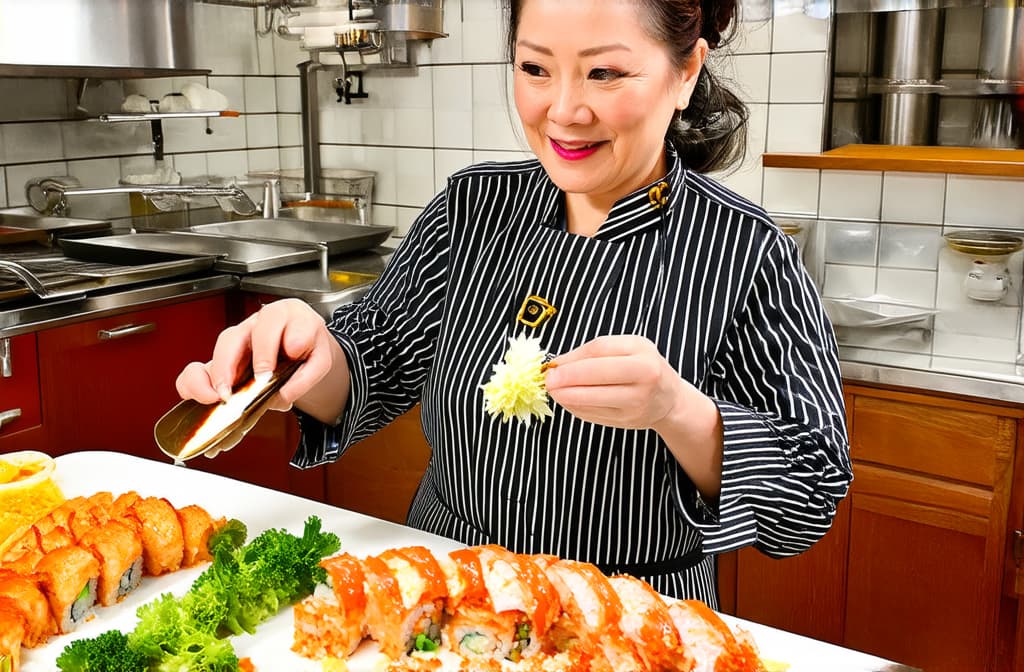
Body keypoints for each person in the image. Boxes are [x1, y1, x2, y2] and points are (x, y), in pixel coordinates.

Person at [176, 0, 852, 605]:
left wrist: (678, 411)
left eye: (604, 74)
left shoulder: (748, 252)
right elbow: (375, 360)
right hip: (443, 588)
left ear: (684, 73)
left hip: (628, 615)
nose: (563, 110)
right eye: (535, 68)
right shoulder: (473, 208)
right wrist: (309, 356)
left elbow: (811, 495)